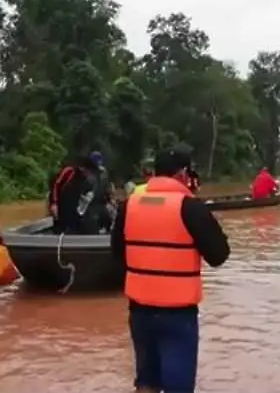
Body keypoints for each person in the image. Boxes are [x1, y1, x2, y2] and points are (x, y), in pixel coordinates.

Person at [110, 146, 231, 393]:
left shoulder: (128, 206)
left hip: (140, 310)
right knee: (178, 385)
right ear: (183, 174)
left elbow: (117, 253)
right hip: (178, 315)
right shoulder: (191, 208)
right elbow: (219, 256)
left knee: (146, 381)